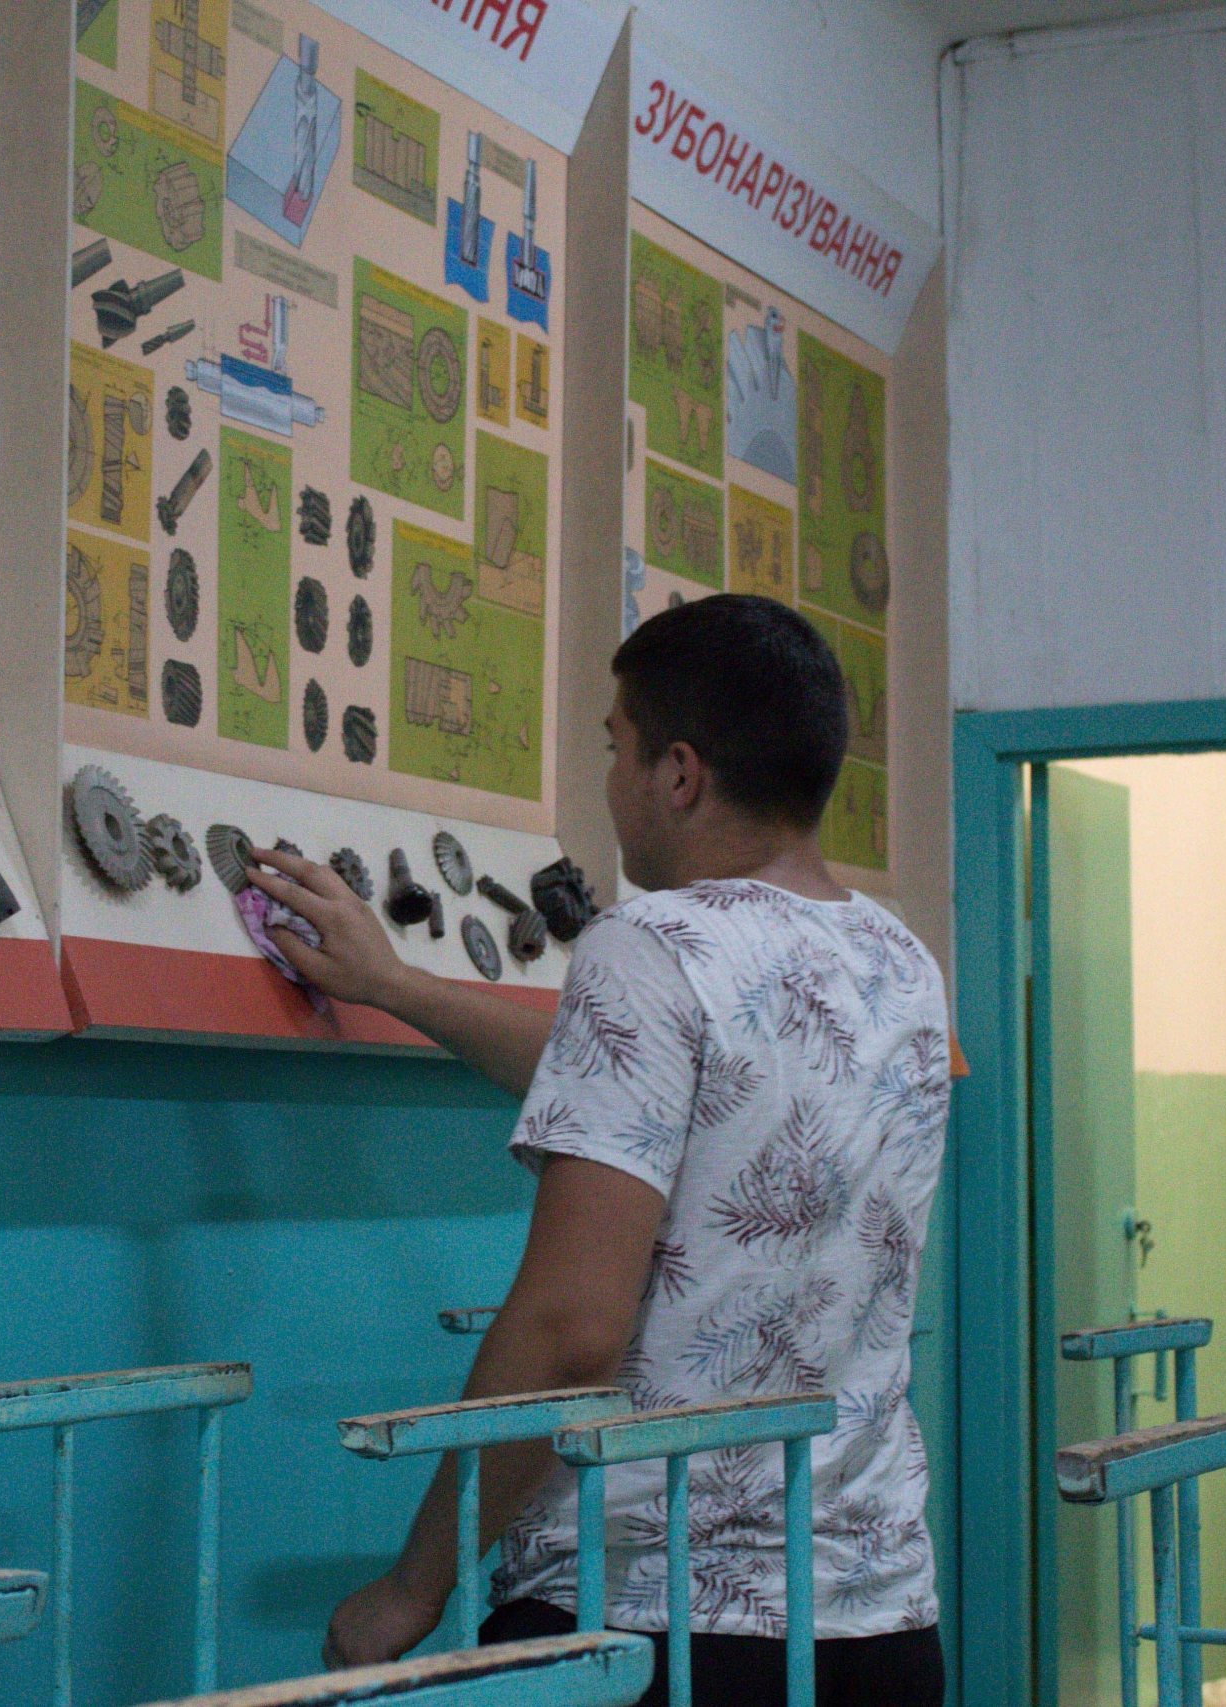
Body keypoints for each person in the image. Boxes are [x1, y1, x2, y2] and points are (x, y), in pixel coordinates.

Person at [243, 594, 949, 1707]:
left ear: (680, 773)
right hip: (873, 1621)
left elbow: (571, 1330)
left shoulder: (649, 944)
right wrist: (395, 986)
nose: (612, 781)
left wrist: (414, 1586)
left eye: (616, 749)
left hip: (657, 1618)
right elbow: (659, 1096)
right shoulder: (898, 962)